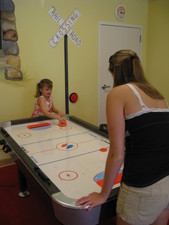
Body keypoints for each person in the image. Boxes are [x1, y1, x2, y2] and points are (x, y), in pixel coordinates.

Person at [76, 50, 169, 225]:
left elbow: (117, 153)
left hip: (142, 184)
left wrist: (103, 195)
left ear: (114, 72)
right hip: (167, 179)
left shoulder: (117, 93)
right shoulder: (157, 94)